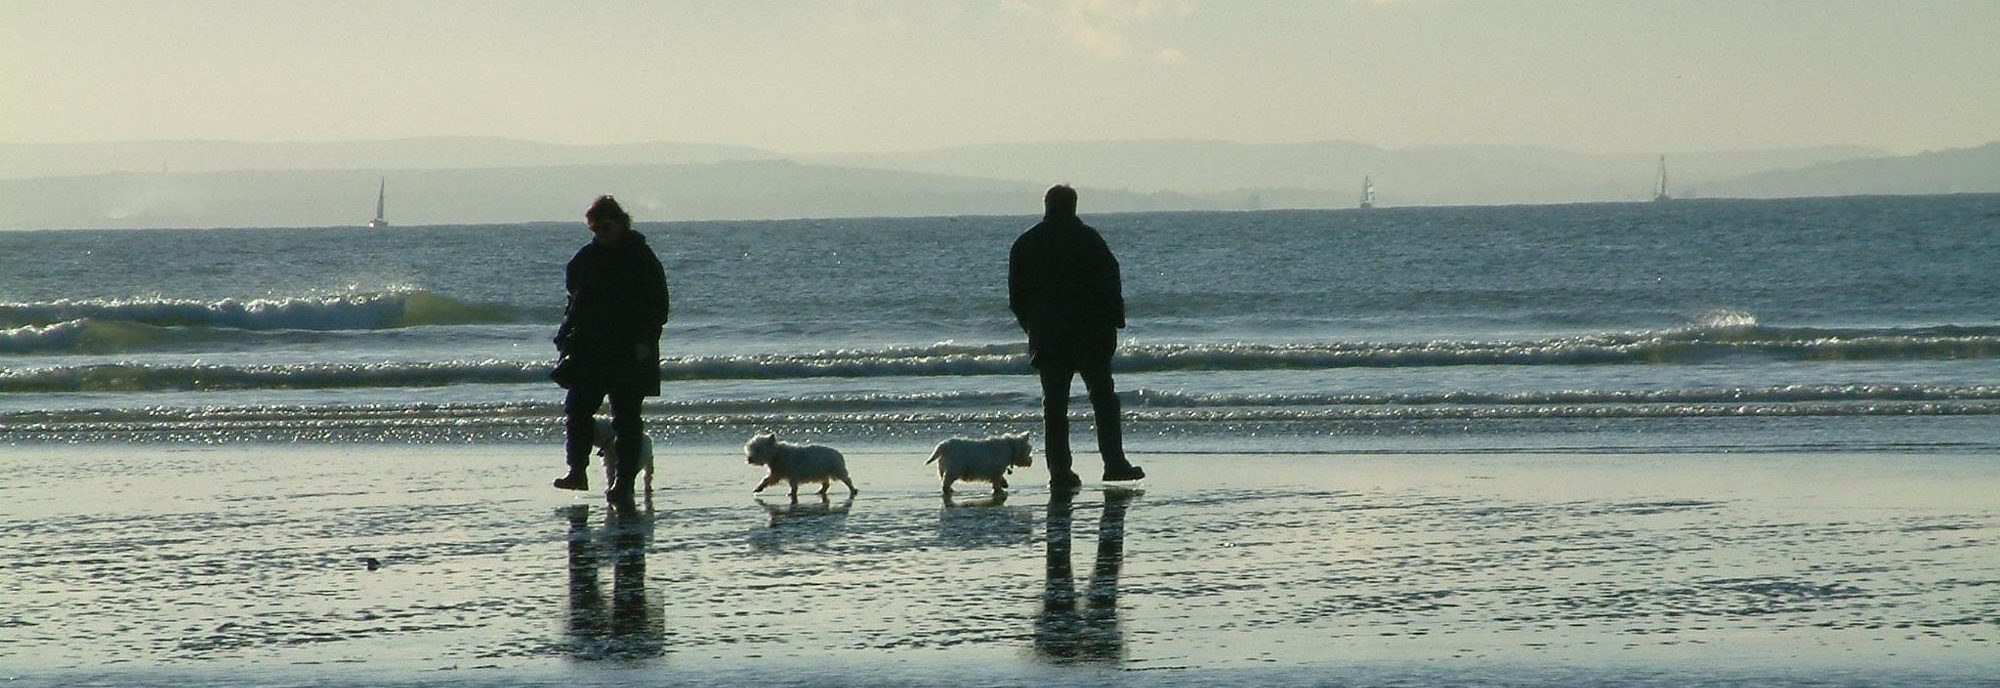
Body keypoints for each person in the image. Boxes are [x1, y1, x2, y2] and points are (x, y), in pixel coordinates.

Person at [1009, 184, 1145, 490]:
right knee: (1104, 400)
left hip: (1049, 338)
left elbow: (1017, 297)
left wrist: (1032, 327)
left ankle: (1060, 472)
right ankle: (1113, 463)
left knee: (1054, 407)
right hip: (1090, 337)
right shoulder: (1090, 240)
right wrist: (1115, 323)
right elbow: (1111, 283)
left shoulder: (1027, 243)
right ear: (1073, 207)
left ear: (1047, 206)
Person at [554, 195, 668, 503]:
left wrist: (645, 341)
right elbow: (572, 302)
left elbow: (658, 306)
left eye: (604, 227)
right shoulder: (585, 259)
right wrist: (565, 339)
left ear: (620, 223)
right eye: (593, 229)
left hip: (629, 351)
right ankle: (577, 471)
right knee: (577, 411)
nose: (598, 234)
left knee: (627, 419)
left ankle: (624, 481)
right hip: (590, 349)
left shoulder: (641, 257)